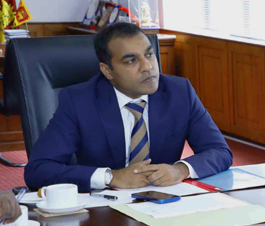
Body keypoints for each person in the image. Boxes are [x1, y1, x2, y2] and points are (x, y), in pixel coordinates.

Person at [25, 22, 232, 192]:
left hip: (164, 204)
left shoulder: (179, 92)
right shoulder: (79, 101)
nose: (148, 67)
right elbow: (38, 170)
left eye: (149, 55)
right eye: (131, 60)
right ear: (107, 70)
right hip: (103, 209)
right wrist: (110, 177)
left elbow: (220, 151)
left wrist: (181, 170)